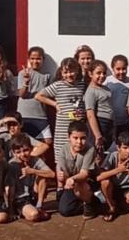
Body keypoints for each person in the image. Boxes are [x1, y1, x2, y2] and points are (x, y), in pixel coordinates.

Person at [36, 57, 86, 197]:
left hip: (78, 127)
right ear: (61, 73)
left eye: (72, 71)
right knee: (60, 156)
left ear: (77, 71)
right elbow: (39, 95)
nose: (69, 75)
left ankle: (75, 184)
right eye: (65, 72)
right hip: (62, 127)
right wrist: (54, 104)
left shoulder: (82, 85)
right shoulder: (58, 85)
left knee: (76, 154)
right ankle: (59, 186)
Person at [56, 121, 100, 219]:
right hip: (71, 182)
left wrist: (72, 179)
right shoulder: (63, 150)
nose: (79, 142)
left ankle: (90, 202)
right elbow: (63, 172)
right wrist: (61, 179)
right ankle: (88, 204)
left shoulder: (90, 149)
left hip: (87, 181)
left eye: (83, 138)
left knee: (81, 184)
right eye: (75, 138)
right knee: (64, 210)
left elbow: (84, 174)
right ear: (69, 137)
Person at [8, 133, 54, 223]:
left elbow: (52, 174)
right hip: (20, 199)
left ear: (31, 149)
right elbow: (9, 190)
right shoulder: (11, 165)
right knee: (34, 215)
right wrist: (10, 209)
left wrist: (33, 171)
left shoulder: (35, 159)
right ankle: (22, 211)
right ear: (13, 153)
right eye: (18, 152)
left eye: (25, 150)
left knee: (43, 176)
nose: (23, 154)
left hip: (33, 195)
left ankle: (39, 206)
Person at [96, 131, 129, 222]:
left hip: (127, 189)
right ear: (118, 147)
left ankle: (121, 206)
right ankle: (111, 207)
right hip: (112, 188)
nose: (128, 151)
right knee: (105, 182)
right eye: (125, 148)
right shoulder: (112, 156)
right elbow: (99, 177)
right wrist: (117, 170)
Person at [17, 46, 53, 147]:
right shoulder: (22, 73)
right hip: (25, 114)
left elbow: (49, 94)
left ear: (42, 59)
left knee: (47, 141)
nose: (35, 61)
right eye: (32, 58)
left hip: (40, 114)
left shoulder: (47, 76)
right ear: (29, 59)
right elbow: (22, 95)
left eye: (38, 58)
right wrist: (26, 83)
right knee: (25, 144)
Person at [84, 59, 115, 153]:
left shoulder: (105, 88)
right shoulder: (91, 91)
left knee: (105, 152)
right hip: (99, 124)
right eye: (98, 73)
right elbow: (90, 115)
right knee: (97, 152)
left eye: (104, 73)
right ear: (90, 74)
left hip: (108, 125)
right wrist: (98, 135)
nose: (102, 76)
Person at [104, 54, 129, 139]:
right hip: (109, 121)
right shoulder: (107, 81)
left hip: (125, 122)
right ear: (113, 68)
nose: (121, 72)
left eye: (124, 69)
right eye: (118, 69)